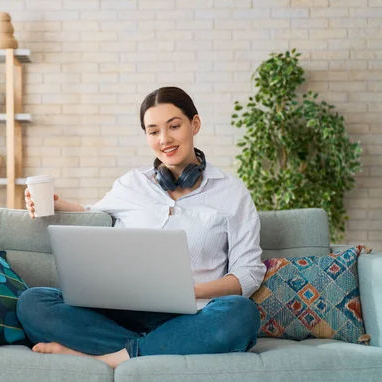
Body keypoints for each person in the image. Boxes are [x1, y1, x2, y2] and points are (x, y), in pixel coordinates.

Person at [16, 86, 266, 368]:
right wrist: (54, 204)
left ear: (194, 124)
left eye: (174, 126)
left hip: (193, 314)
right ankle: (162, 346)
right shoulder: (132, 184)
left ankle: (113, 358)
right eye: (153, 131)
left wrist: (191, 290)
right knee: (33, 302)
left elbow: (248, 271)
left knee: (241, 314)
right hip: (120, 312)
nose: (165, 139)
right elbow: (93, 213)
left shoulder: (232, 193)